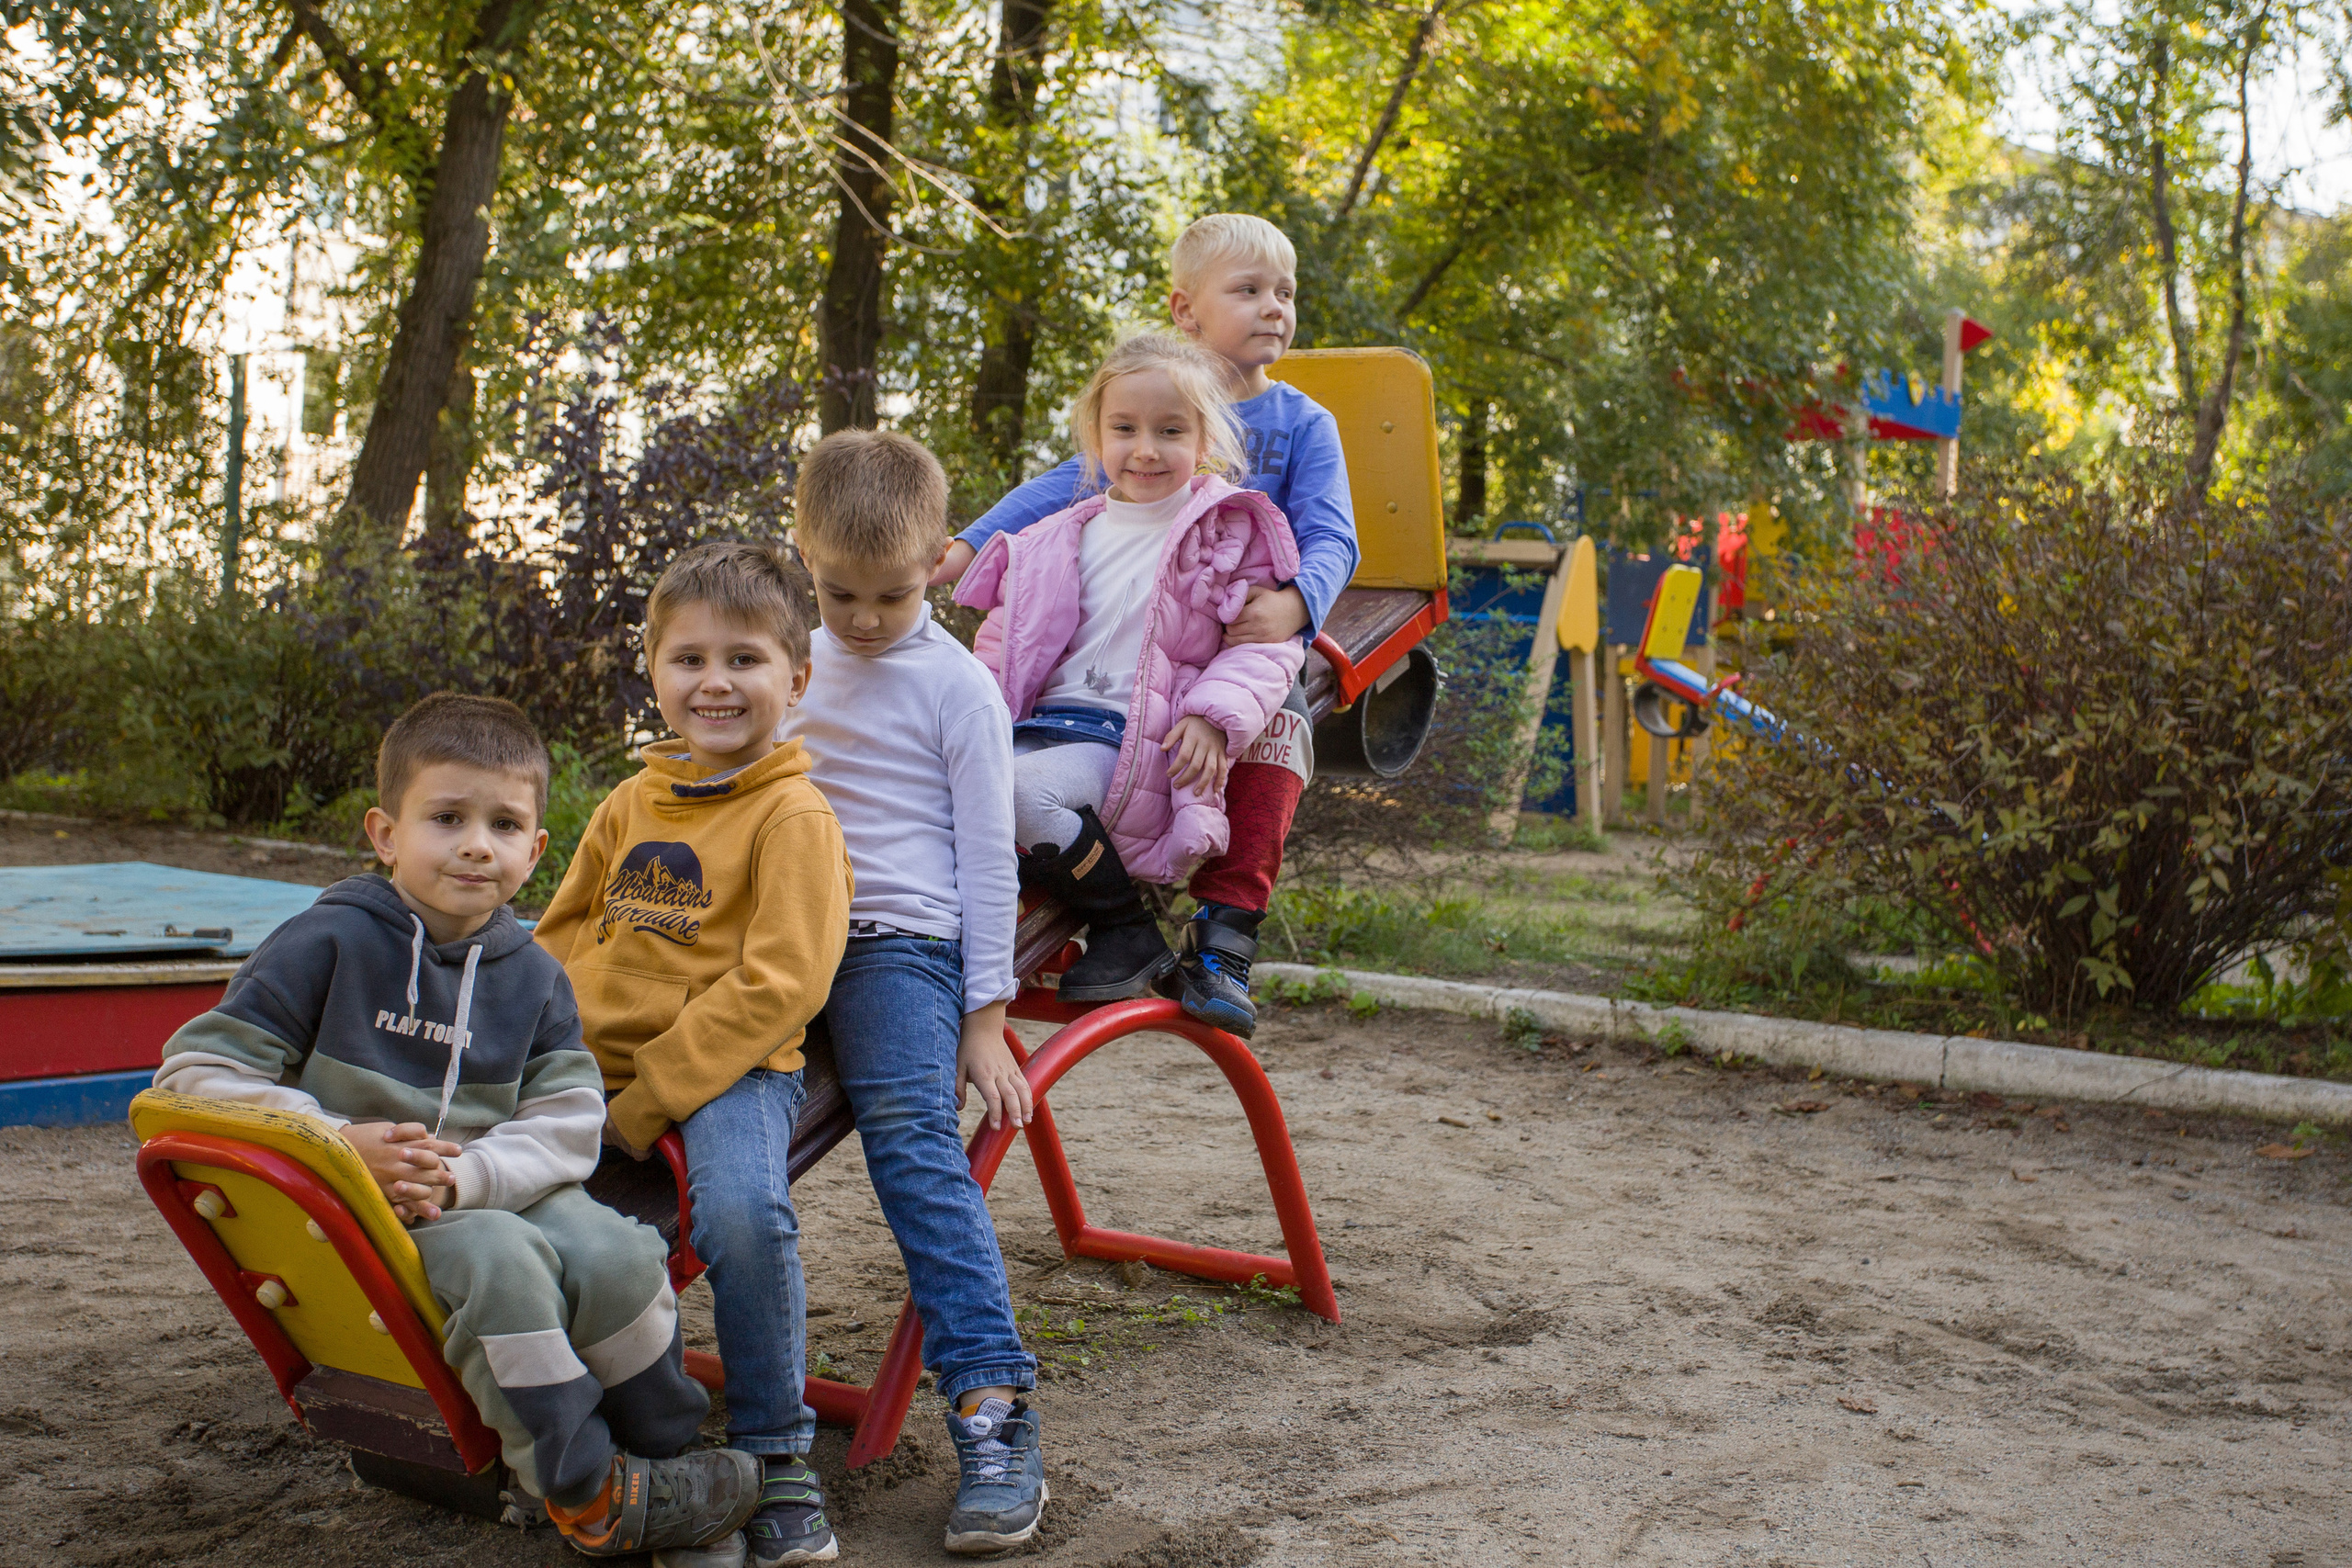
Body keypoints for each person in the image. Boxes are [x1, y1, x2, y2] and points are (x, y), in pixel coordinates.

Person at [153, 693, 761, 1562]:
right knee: (503, 1265)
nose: (478, 843)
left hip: (487, 1183)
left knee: (621, 1252)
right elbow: (194, 1075)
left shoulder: (536, 978)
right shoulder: (324, 943)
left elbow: (568, 1119)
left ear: (536, 849)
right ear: (386, 832)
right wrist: (334, 1144)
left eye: (505, 823)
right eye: (447, 817)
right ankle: (588, 1493)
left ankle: (664, 1466)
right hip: (368, 1211)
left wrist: (469, 1174)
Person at [934, 212, 1355, 1037]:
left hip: (1243, 629)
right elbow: (1062, 488)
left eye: (1286, 293)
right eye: (1249, 290)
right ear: (1186, 309)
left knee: (1276, 722)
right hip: (1138, 660)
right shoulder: (1142, 401)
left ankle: (1226, 935)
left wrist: (1298, 604)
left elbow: (1334, 532)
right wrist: (967, 544)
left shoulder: (1303, 423)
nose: (1275, 307)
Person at [535, 543, 854, 1568]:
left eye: (745, 660)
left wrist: (645, 1102)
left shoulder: (792, 815)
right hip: (591, 1062)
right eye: (688, 659)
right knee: (523, 1213)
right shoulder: (629, 803)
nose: (714, 682)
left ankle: (776, 1447)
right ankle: (591, 1434)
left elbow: (782, 984)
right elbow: (556, 934)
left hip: (730, 1071)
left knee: (740, 1216)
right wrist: (536, 1053)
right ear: (654, 672)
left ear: (794, 680)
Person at [780, 428, 1047, 1555]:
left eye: (892, 594)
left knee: (911, 1144)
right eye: (839, 594)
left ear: (941, 560)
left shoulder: (957, 687)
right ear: (802, 558)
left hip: (900, 947)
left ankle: (993, 1408)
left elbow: (990, 857)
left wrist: (985, 1017)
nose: (864, 620)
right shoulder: (788, 659)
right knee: (690, 1123)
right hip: (783, 938)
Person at [953, 331, 1305, 1006]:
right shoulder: (1053, 537)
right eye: (1125, 428)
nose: (1145, 448)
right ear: (1095, 436)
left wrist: (1210, 715)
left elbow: (1265, 647)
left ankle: (1127, 928)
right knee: (937, 787)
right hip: (1038, 728)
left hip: (1129, 739)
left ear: (1204, 442)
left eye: (1170, 430)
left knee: (1018, 793)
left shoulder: (1229, 533)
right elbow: (1001, 647)